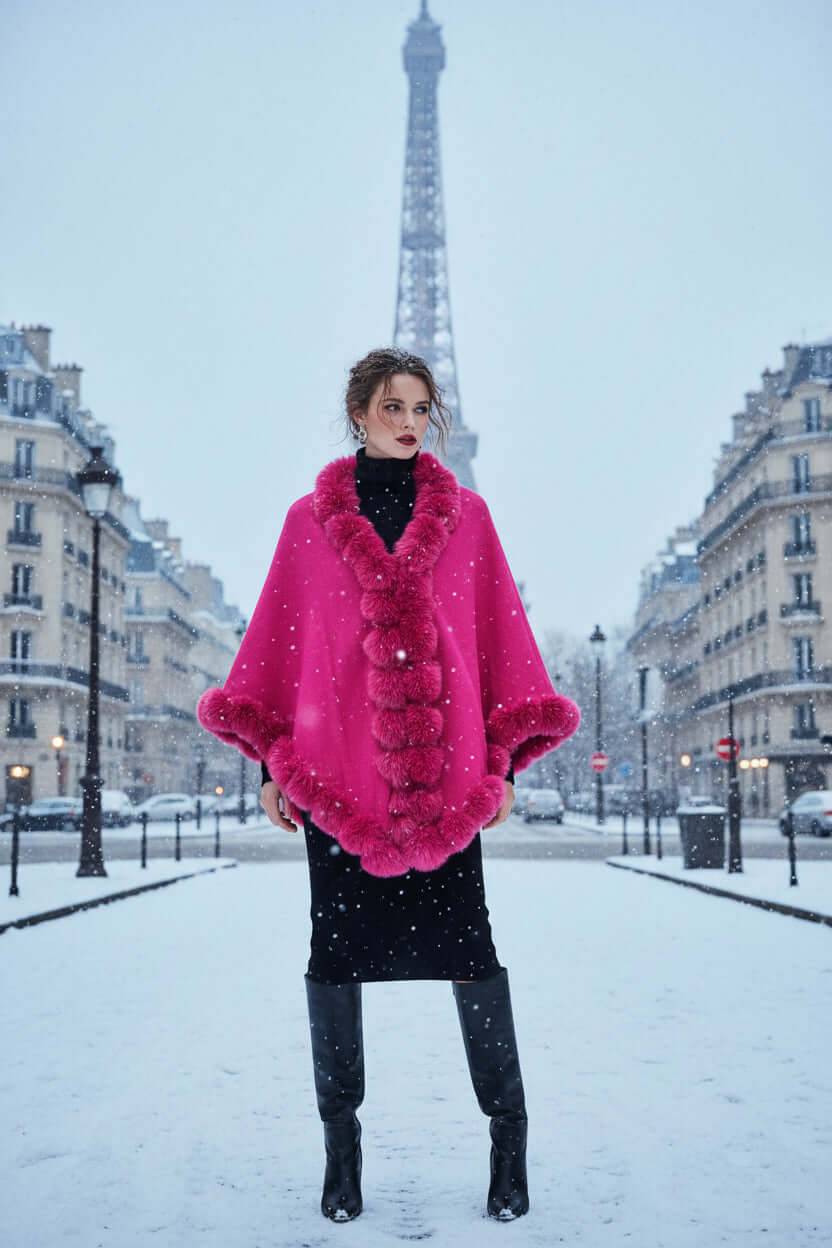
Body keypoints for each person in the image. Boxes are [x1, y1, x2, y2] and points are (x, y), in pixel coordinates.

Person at [197, 347, 580, 1223]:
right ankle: (342, 1154)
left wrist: (503, 762)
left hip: (445, 787)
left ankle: (509, 1144)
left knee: (473, 957)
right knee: (333, 963)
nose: (410, 422)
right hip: (342, 783)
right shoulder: (308, 524)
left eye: (421, 407)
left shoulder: (468, 519)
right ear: (359, 414)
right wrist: (273, 765)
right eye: (393, 406)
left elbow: (494, 639)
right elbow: (288, 647)